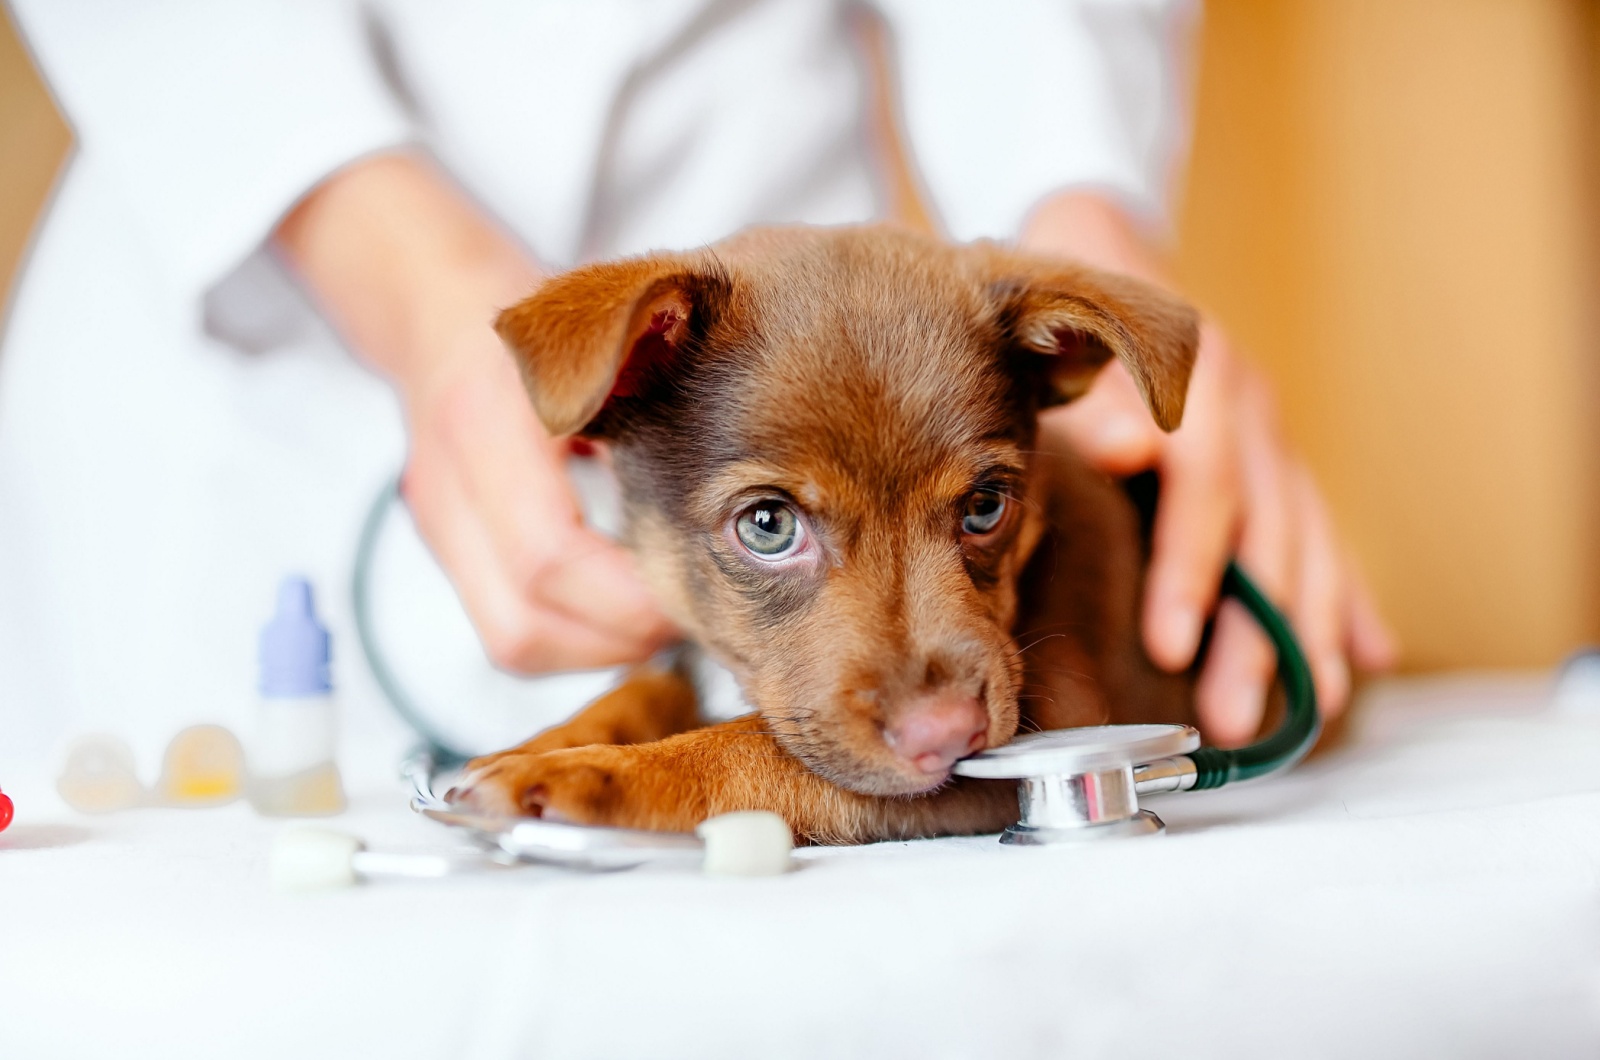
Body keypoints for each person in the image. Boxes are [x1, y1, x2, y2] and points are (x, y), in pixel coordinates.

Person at [0, 1, 1391, 772]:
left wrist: (1073, 204)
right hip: (237, 400)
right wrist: (412, 287)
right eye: (774, 524)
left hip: (808, 289)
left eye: (981, 514)